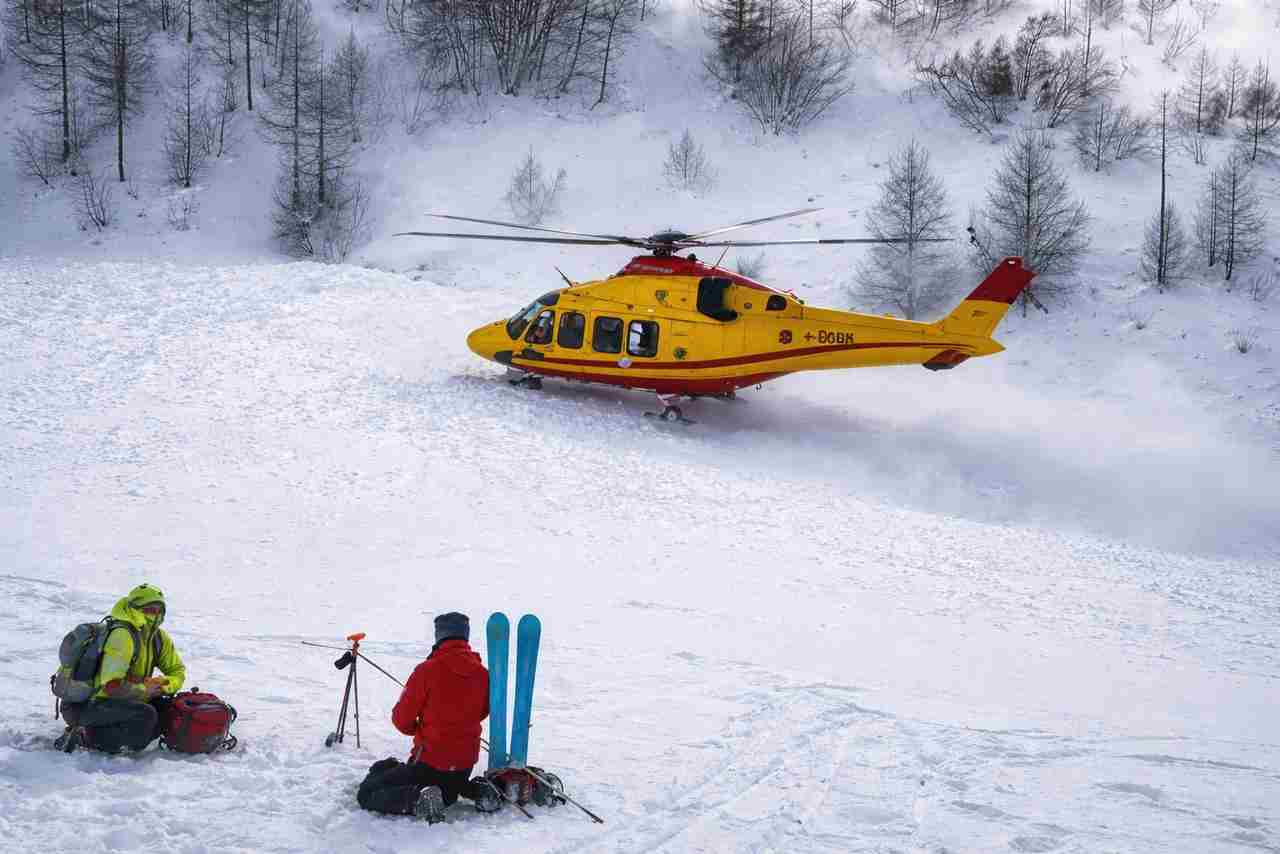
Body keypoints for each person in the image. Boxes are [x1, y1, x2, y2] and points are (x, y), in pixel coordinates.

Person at [357, 612, 489, 823]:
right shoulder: (483, 673)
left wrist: (419, 727)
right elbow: (482, 712)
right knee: (445, 789)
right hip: (464, 766)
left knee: (366, 794)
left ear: (439, 636)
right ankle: (475, 790)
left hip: (430, 765)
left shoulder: (426, 670)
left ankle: (419, 799)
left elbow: (401, 719)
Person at [57, 583, 187, 753]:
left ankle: (113, 735)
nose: (155, 615)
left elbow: (177, 670)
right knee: (146, 715)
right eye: (149, 610)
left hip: (121, 700)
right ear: (134, 608)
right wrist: (144, 690)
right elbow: (111, 686)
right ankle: (85, 736)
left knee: (167, 710)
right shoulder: (122, 636)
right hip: (86, 704)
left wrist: (164, 685)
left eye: (158, 610)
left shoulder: (159, 638)